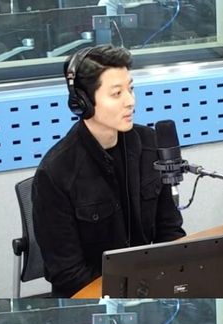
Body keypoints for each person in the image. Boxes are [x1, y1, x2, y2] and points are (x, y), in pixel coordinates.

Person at [32, 44, 184, 297]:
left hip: (149, 289)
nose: (130, 101)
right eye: (116, 94)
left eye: (131, 89)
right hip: (91, 298)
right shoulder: (56, 173)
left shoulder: (150, 143)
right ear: (82, 102)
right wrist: (127, 293)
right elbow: (68, 274)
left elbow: (170, 230)